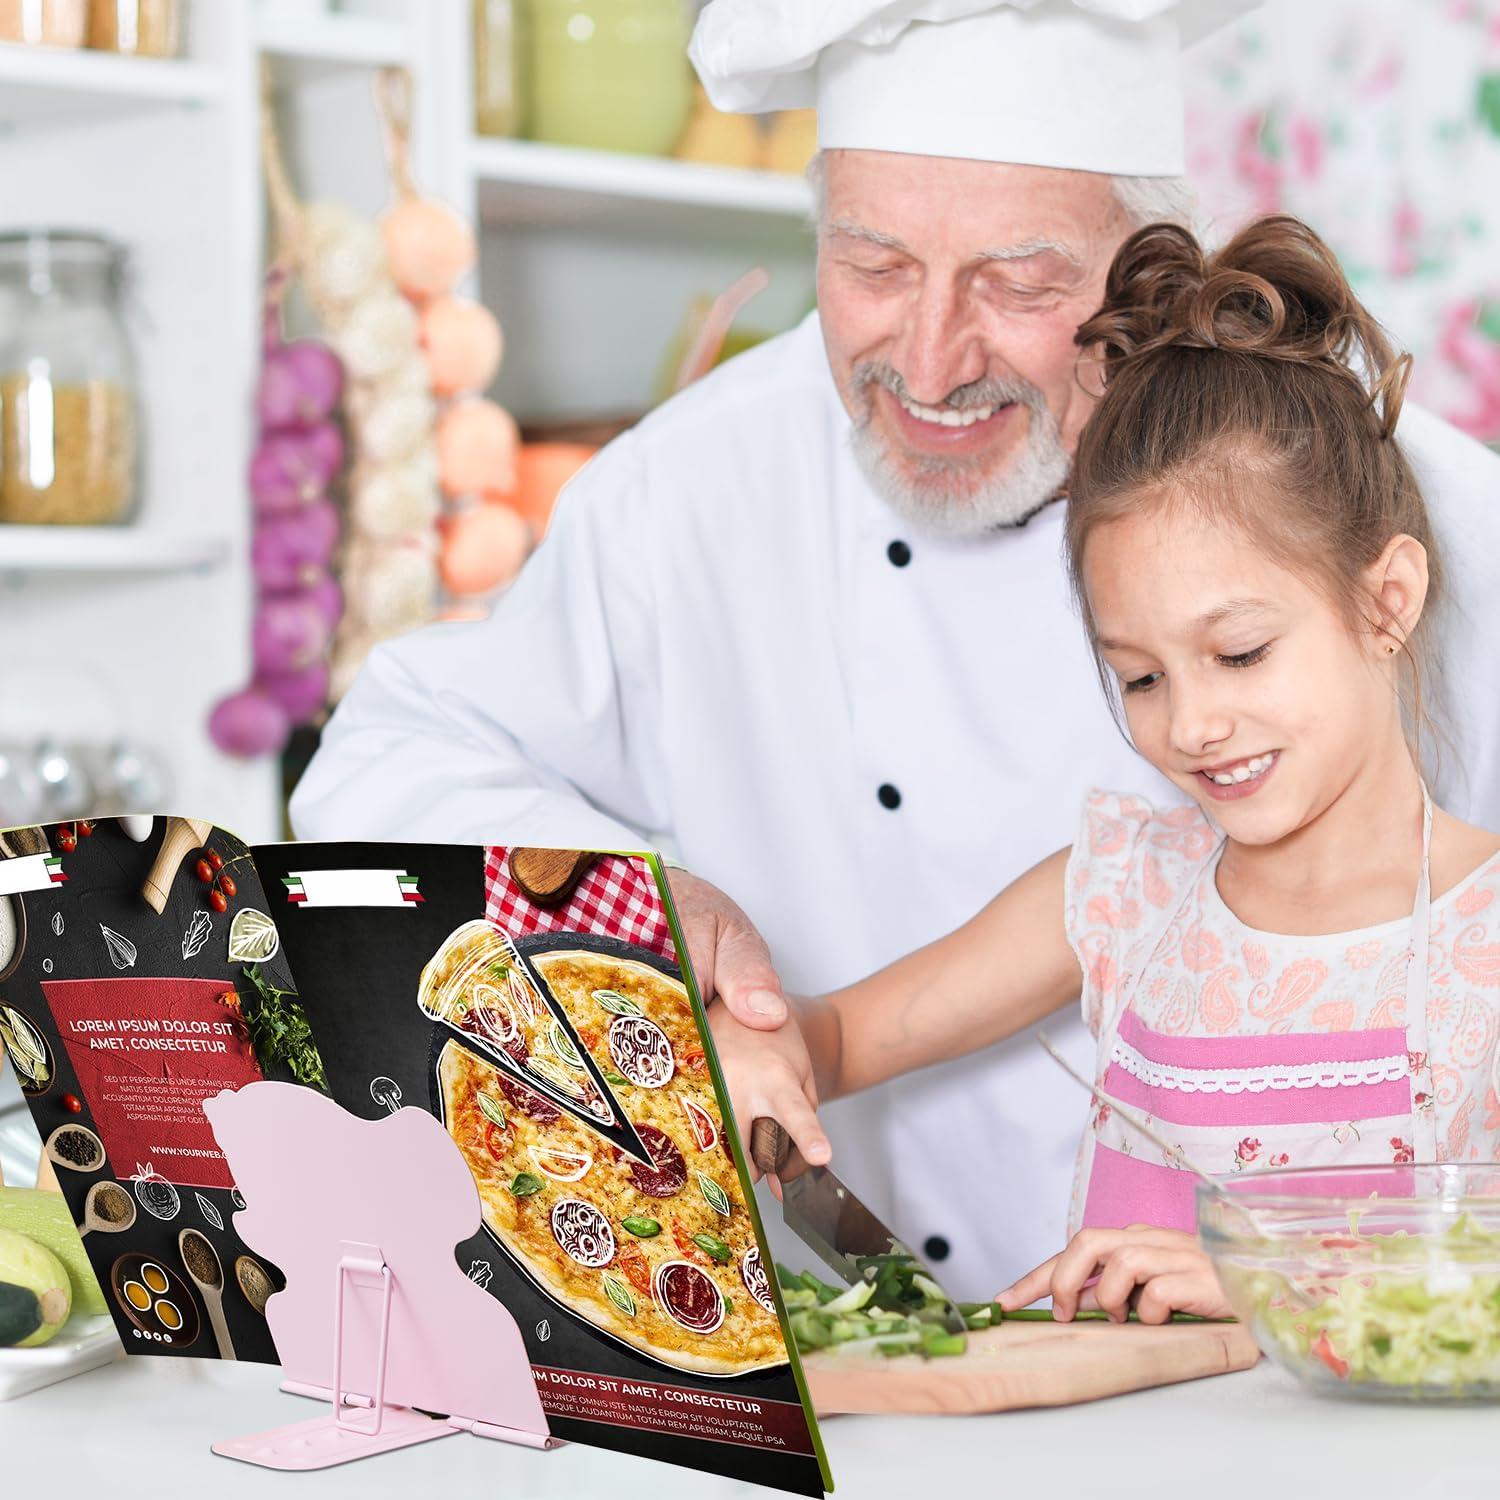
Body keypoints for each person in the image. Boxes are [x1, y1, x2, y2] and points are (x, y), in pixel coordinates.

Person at [290, 0, 1500, 1297]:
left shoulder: (1406, 500)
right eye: (871, 267)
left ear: (1155, 263)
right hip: (856, 1338)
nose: (928, 358)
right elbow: (395, 750)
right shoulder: (686, 484)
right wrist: (641, 910)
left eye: (1020, 283)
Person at [711, 212, 1500, 1321]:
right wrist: (748, 1048)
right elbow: (834, 1038)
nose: (1194, 724)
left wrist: (1268, 1279)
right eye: (1140, 677)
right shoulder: (1124, 891)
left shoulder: (1484, 933)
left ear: (1388, 601)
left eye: (1239, 653)